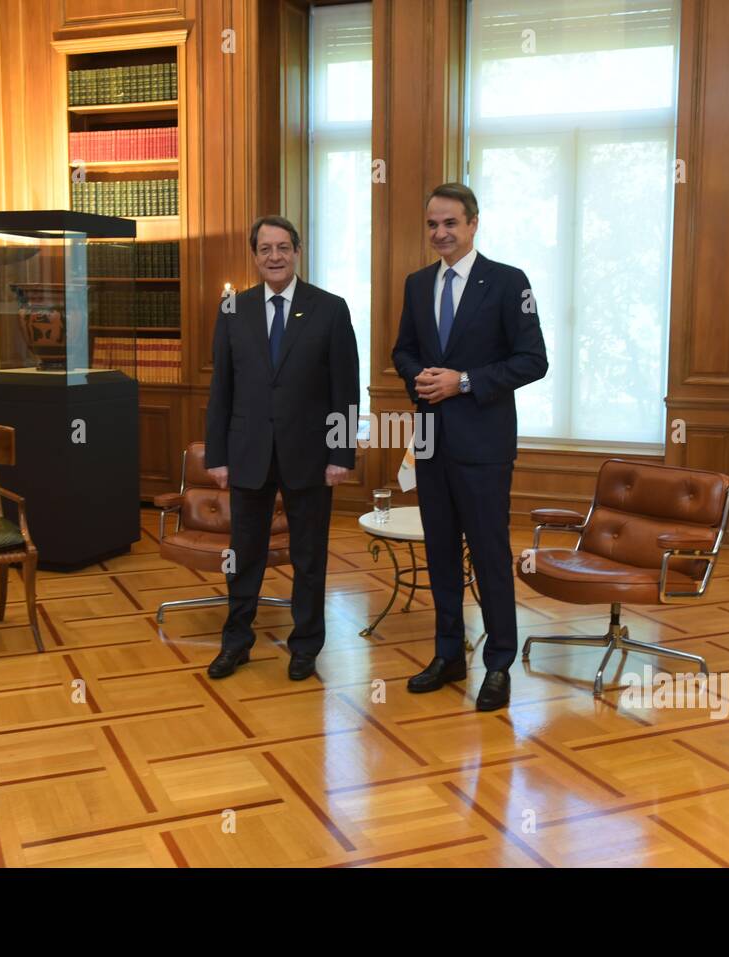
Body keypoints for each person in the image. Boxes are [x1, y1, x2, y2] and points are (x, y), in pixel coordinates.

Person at [391, 183, 548, 711]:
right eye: (433, 224)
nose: (440, 233)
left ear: (473, 223)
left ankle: (499, 664)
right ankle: (447, 654)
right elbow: (403, 351)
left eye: (450, 223)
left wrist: (461, 382)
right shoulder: (417, 285)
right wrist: (423, 376)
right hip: (432, 441)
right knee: (439, 554)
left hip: (484, 444)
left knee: (489, 556)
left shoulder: (507, 282)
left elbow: (533, 361)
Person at [204, 215, 360, 681]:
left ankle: (306, 646)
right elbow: (221, 389)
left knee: (309, 557)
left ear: (297, 252)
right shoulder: (233, 309)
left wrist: (341, 454)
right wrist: (217, 455)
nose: (274, 256)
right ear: (254, 256)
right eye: (265, 248)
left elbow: (345, 389)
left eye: (283, 247)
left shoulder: (330, 309)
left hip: (310, 455)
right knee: (243, 555)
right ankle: (236, 643)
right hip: (247, 453)